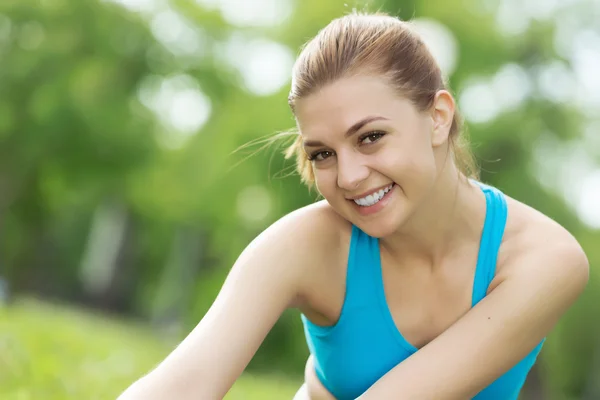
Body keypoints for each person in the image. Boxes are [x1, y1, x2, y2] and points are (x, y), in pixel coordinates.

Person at [118, 11, 589, 400]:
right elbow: (180, 385)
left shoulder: (544, 259)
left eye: (370, 137)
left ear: (438, 119)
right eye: (322, 153)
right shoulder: (306, 244)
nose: (347, 177)